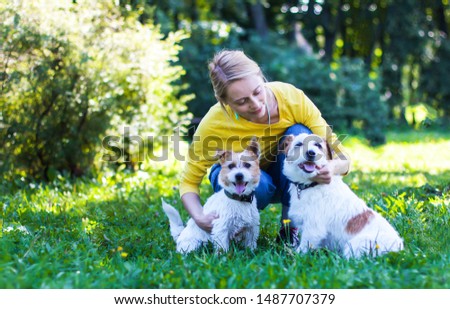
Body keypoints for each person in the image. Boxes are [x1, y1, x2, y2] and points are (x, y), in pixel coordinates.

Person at [179, 49, 351, 244]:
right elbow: (188, 182)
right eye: (242, 101)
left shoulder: (291, 98)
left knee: (299, 133)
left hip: (286, 175)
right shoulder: (214, 122)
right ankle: (236, 227)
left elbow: (341, 156)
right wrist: (199, 217)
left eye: (257, 91)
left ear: (261, 76)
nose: (255, 104)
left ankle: (289, 226)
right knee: (260, 184)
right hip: (247, 181)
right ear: (225, 102)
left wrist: (331, 168)